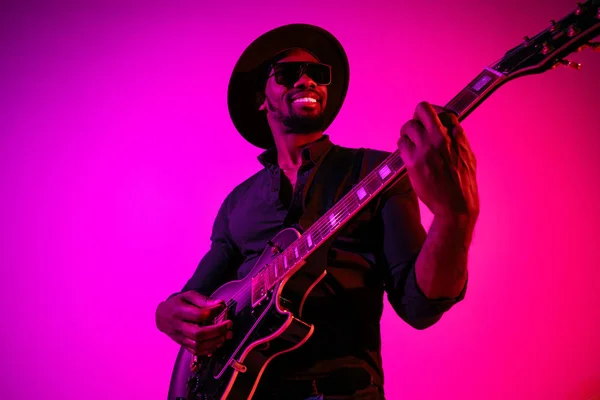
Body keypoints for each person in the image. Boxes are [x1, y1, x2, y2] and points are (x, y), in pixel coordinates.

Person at [155, 23, 479, 399]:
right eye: (289, 73)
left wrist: (454, 219)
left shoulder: (377, 174)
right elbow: (196, 297)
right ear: (262, 98)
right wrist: (166, 314)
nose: (307, 80)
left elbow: (420, 305)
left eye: (318, 75)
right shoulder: (237, 202)